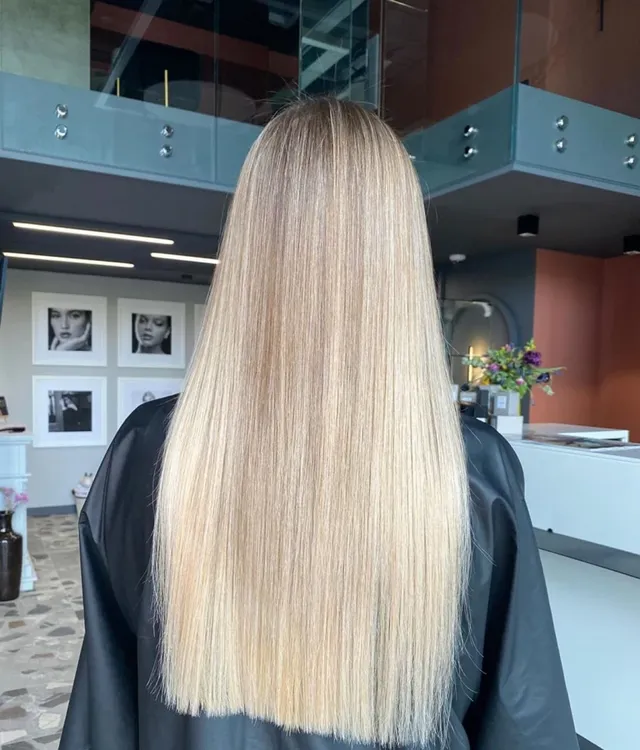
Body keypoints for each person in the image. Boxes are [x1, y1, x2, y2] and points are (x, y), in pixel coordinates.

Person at [60, 99, 579, 750]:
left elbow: (106, 711)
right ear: (400, 251)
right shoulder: (470, 471)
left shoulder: (148, 450)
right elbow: (523, 719)